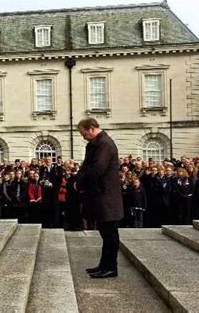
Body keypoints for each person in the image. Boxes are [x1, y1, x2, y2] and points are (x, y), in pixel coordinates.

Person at [75, 117, 124, 278]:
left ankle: (110, 267)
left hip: (107, 196)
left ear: (91, 128)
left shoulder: (104, 144)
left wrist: (80, 183)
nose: (83, 137)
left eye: (83, 133)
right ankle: (104, 265)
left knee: (110, 234)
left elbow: (97, 168)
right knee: (105, 232)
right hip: (101, 195)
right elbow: (87, 166)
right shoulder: (96, 144)